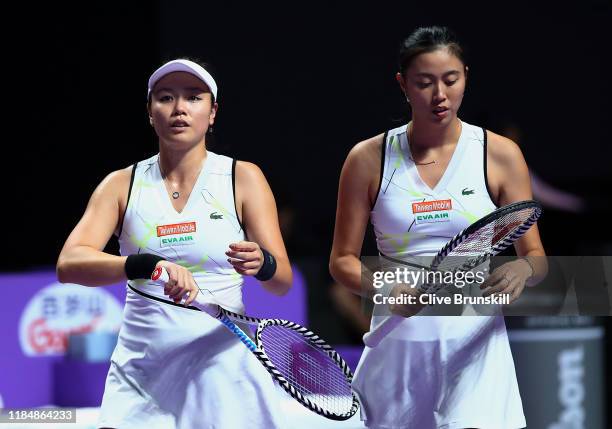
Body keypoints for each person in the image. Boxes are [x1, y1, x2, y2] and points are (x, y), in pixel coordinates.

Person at [329, 27, 547, 429]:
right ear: (403, 84)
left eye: (451, 80)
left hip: (476, 346)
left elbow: (535, 257)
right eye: (424, 83)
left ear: (465, 74)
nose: (439, 95)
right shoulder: (367, 158)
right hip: (399, 345)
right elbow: (341, 262)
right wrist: (386, 287)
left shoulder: (500, 154)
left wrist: (523, 269)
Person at [57, 58, 292, 429]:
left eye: (194, 98)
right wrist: (145, 264)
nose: (179, 108)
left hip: (222, 365)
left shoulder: (242, 177)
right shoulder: (121, 184)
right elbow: (69, 264)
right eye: (166, 98)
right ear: (150, 113)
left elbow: (283, 282)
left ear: (212, 112)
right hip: (144, 368)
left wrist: (263, 263)